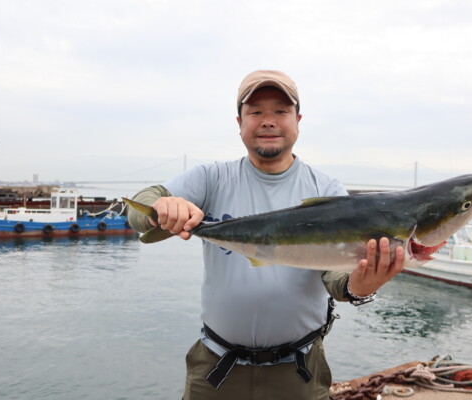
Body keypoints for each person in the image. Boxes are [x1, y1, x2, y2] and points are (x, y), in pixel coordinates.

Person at [127, 70, 405, 400]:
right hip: (216, 368)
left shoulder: (327, 191)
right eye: (256, 112)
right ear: (239, 121)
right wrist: (162, 207)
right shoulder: (211, 178)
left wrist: (361, 286)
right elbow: (137, 212)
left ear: (298, 120)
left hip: (300, 371)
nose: (268, 121)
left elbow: (337, 277)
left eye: (280, 111)